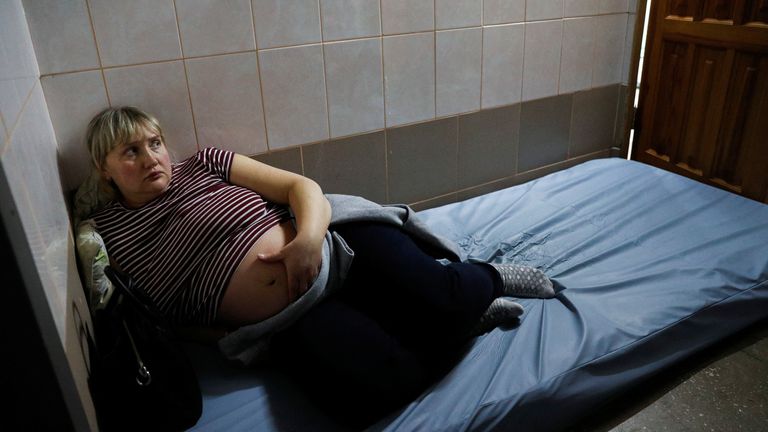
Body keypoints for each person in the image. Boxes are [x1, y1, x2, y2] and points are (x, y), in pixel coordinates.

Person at [85, 106, 555, 426]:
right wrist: (237, 339)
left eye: (155, 143)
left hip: (337, 245)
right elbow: (164, 321)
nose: (151, 158)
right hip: (289, 319)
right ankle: (460, 326)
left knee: (443, 295)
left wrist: (308, 240)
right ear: (103, 169)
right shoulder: (109, 236)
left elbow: (301, 187)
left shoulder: (204, 164)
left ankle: (489, 278)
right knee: (372, 393)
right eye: (130, 151)